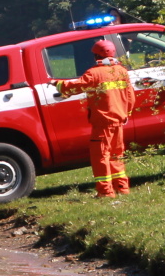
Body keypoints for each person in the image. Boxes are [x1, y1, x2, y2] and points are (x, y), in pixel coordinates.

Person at [53, 39, 132, 198]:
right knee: (117, 154)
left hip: (103, 122)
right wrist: (126, 114)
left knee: (101, 156)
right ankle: (122, 188)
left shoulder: (94, 73)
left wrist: (58, 84)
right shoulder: (122, 71)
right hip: (119, 120)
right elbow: (130, 97)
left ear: (96, 55)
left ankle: (105, 192)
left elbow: (77, 86)